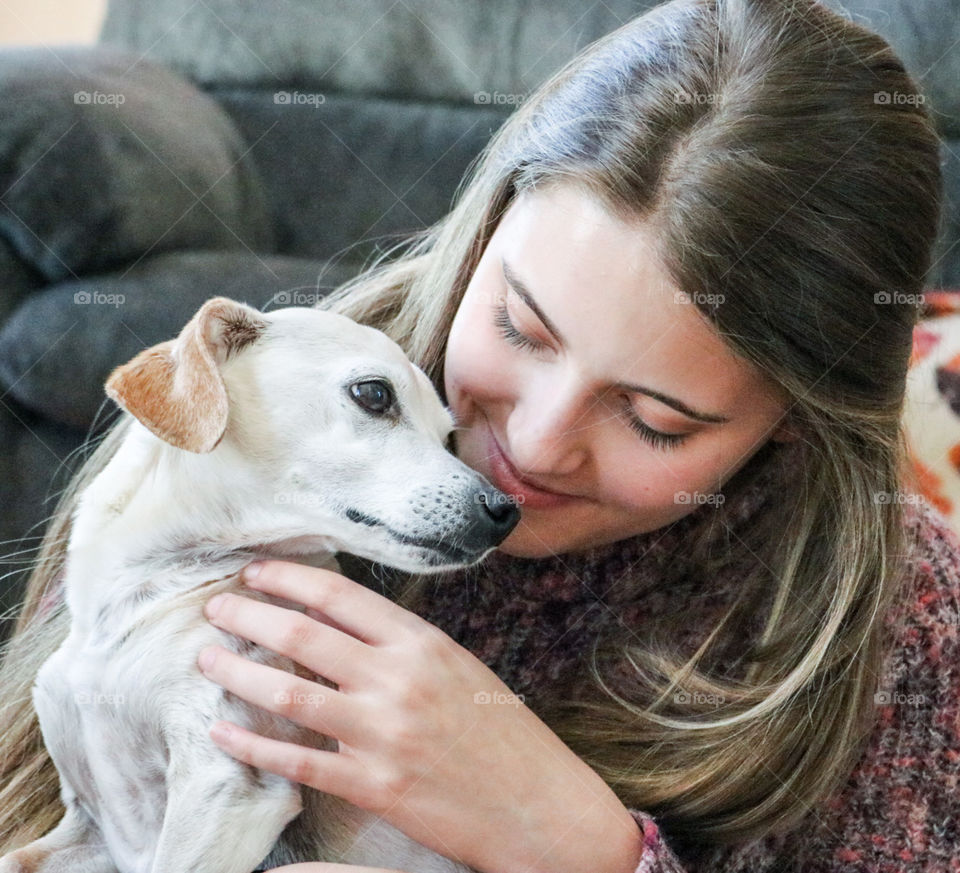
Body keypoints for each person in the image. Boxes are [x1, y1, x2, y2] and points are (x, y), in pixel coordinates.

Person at [1, 0, 955, 870]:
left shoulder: (908, 635)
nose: (534, 450)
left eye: (653, 418)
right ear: (484, 224)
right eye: (520, 329)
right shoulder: (268, 405)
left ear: (798, 428)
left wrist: (580, 846)